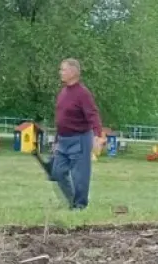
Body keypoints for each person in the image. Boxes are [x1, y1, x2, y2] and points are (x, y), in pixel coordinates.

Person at [51, 58, 105, 210]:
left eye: (63, 69)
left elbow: (93, 114)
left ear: (73, 72)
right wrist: (56, 141)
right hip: (63, 140)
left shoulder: (83, 93)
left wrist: (97, 135)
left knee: (80, 176)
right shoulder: (63, 93)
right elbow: (60, 119)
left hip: (80, 139)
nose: (60, 72)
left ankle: (80, 206)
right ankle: (71, 201)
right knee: (57, 172)